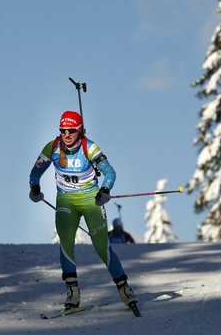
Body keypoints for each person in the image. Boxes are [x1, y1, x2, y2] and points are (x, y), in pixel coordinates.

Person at [29, 111, 137, 311]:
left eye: (71, 130)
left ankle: (124, 288)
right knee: (66, 243)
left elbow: (109, 172)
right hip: (65, 201)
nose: (67, 134)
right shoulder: (52, 147)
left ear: (79, 130)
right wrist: (34, 187)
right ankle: (72, 292)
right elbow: (35, 172)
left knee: (101, 246)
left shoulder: (89, 147)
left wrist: (105, 190)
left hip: (90, 200)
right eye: (63, 130)